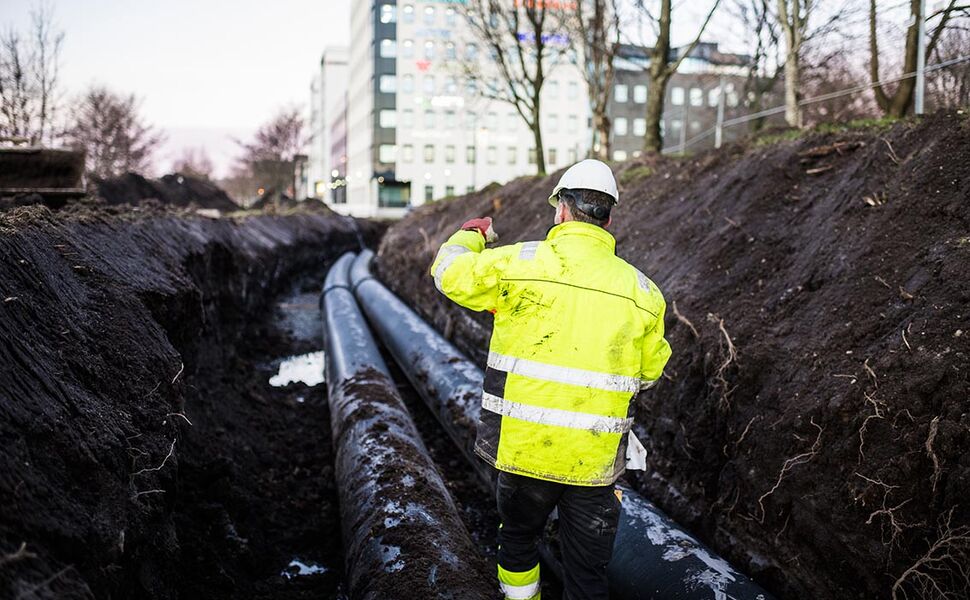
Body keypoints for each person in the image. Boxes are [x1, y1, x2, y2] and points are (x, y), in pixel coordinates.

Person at [429, 159, 671, 600]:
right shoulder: (644, 294)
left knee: (519, 544)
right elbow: (649, 373)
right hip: (593, 465)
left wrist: (471, 234)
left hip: (525, 453)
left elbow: (446, 273)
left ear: (561, 209)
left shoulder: (517, 265)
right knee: (588, 572)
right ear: (609, 217)